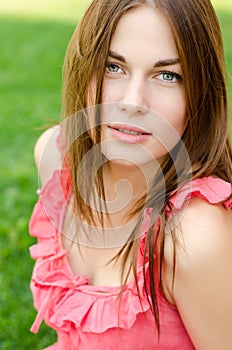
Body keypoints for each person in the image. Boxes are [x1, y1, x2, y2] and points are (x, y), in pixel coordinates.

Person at [29, 0, 232, 349]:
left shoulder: (193, 234)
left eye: (168, 75)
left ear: (199, 93)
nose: (133, 101)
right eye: (113, 66)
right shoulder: (56, 161)